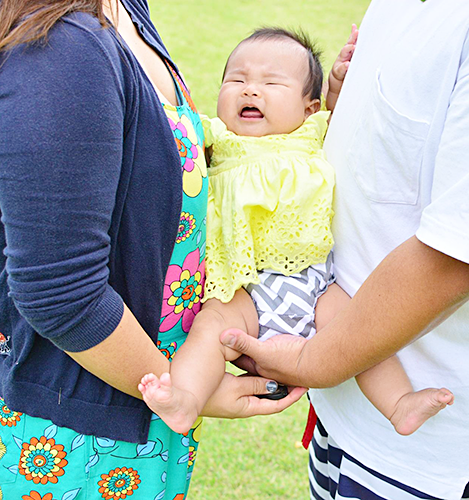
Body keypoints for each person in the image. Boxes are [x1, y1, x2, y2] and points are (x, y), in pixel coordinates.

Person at [0, 1, 306, 499]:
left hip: (141, 403)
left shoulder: (125, 9)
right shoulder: (61, 45)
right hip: (72, 424)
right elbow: (61, 296)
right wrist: (184, 389)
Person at [218, 1, 469, 499]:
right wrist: (339, 102)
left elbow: (463, 250)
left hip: (430, 458)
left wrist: (313, 361)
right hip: (342, 416)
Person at [139, 27, 453, 441]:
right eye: (236, 80)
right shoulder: (214, 138)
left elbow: (343, 114)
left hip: (317, 283)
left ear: (309, 108)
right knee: (210, 330)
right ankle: (185, 399)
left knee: (357, 328)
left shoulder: (312, 135)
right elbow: (170, 137)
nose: (251, 90)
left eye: (271, 82)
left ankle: (399, 404)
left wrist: (341, 81)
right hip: (243, 290)